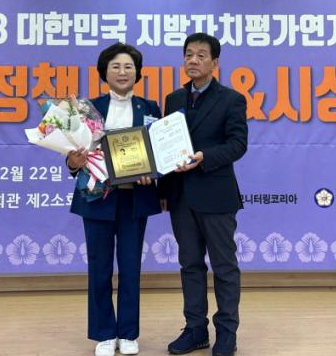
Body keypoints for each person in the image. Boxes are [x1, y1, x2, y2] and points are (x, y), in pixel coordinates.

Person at [67, 42, 162, 356]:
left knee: (131, 266)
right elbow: (72, 153)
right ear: (104, 73)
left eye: (129, 67)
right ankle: (104, 333)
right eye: (116, 67)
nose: (123, 72)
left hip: (135, 198)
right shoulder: (87, 109)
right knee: (99, 267)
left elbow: (159, 152)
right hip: (98, 197)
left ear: (137, 73)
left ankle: (128, 332)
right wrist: (73, 161)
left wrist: (153, 174)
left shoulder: (150, 108)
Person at [158, 33, 248, 356]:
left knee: (224, 267)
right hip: (181, 196)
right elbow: (165, 147)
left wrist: (204, 157)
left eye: (200, 55)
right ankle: (195, 329)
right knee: (190, 265)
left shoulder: (231, 99)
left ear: (215, 62)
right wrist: (164, 191)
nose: (193, 60)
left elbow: (238, 145)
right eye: (188, 55)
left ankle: (227, 332)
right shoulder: (173, 99)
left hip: (216, 194)